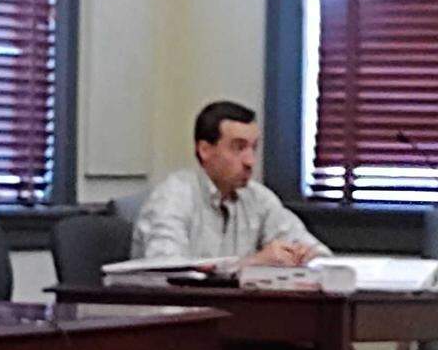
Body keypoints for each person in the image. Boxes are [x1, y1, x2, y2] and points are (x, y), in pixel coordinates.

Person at [132, 101, 330, 265]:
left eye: (253, 148)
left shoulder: (258, 198)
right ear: (205, 150)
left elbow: (320, 254)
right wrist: (252, 263)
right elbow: (165, 269)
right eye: (238, 147)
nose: (250, 161)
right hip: (177, 309)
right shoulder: (173, 197)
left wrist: (305, 255)